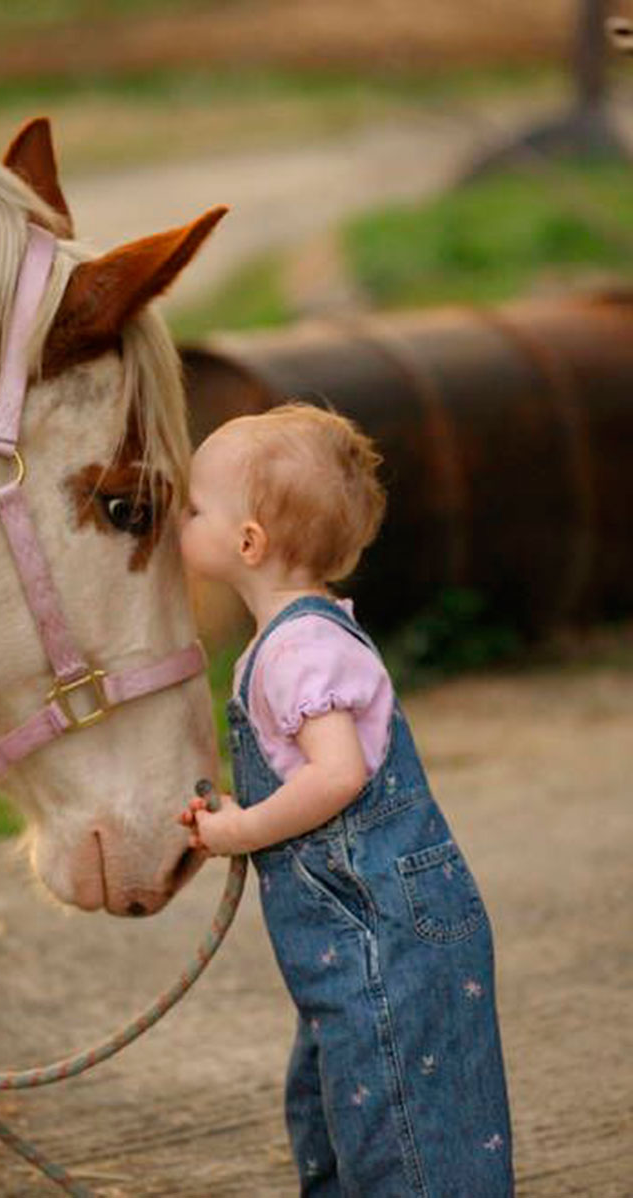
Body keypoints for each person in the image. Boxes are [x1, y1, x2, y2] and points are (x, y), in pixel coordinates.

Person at [178, 403, 514, 1197]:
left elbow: (336, 777)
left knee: (402, 1127)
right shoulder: (298, 636)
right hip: (351, 946)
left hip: (382, 939)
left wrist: (244, 831)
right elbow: (305, 770)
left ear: (248, 542)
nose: (179, 522)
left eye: (195, 510)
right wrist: (239, 807)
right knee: (339, 1111)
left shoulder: (299, 648)